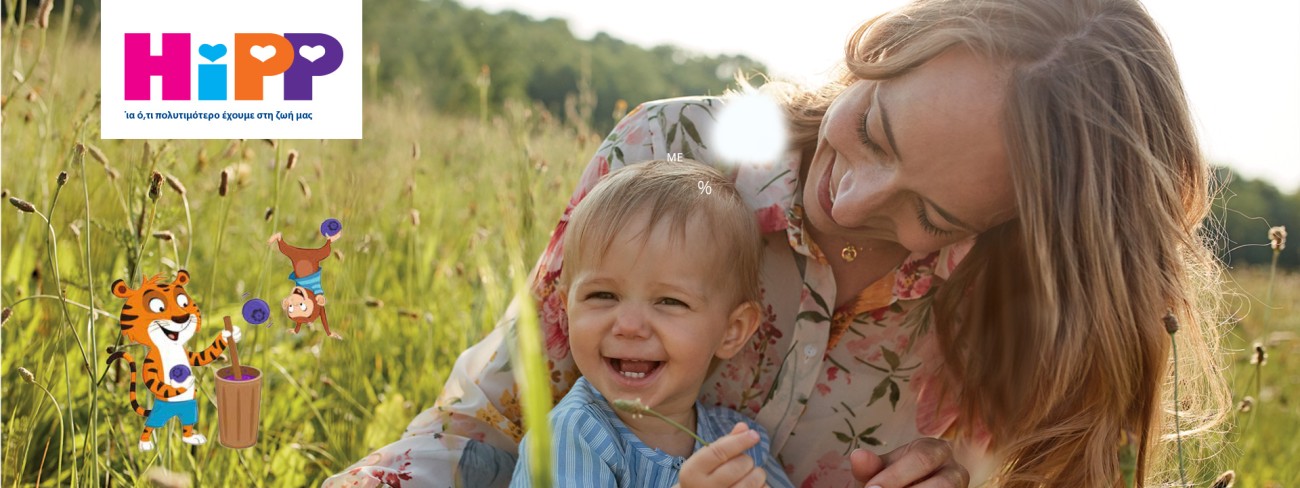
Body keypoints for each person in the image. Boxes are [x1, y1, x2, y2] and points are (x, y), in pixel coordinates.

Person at [326, 0, 1229, 486]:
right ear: (883, 46)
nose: (854, 195)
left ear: (1013, 227)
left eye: (934, 215)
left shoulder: (1033, 340)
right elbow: (488, 423)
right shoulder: (669, 154)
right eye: (873, 125)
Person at [509, 160, 794, 487]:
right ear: (566, 311)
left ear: (733, 331)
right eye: (602, 295)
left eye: (670, 301)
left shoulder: (739, 444)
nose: (629, 325)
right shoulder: (572, 436)